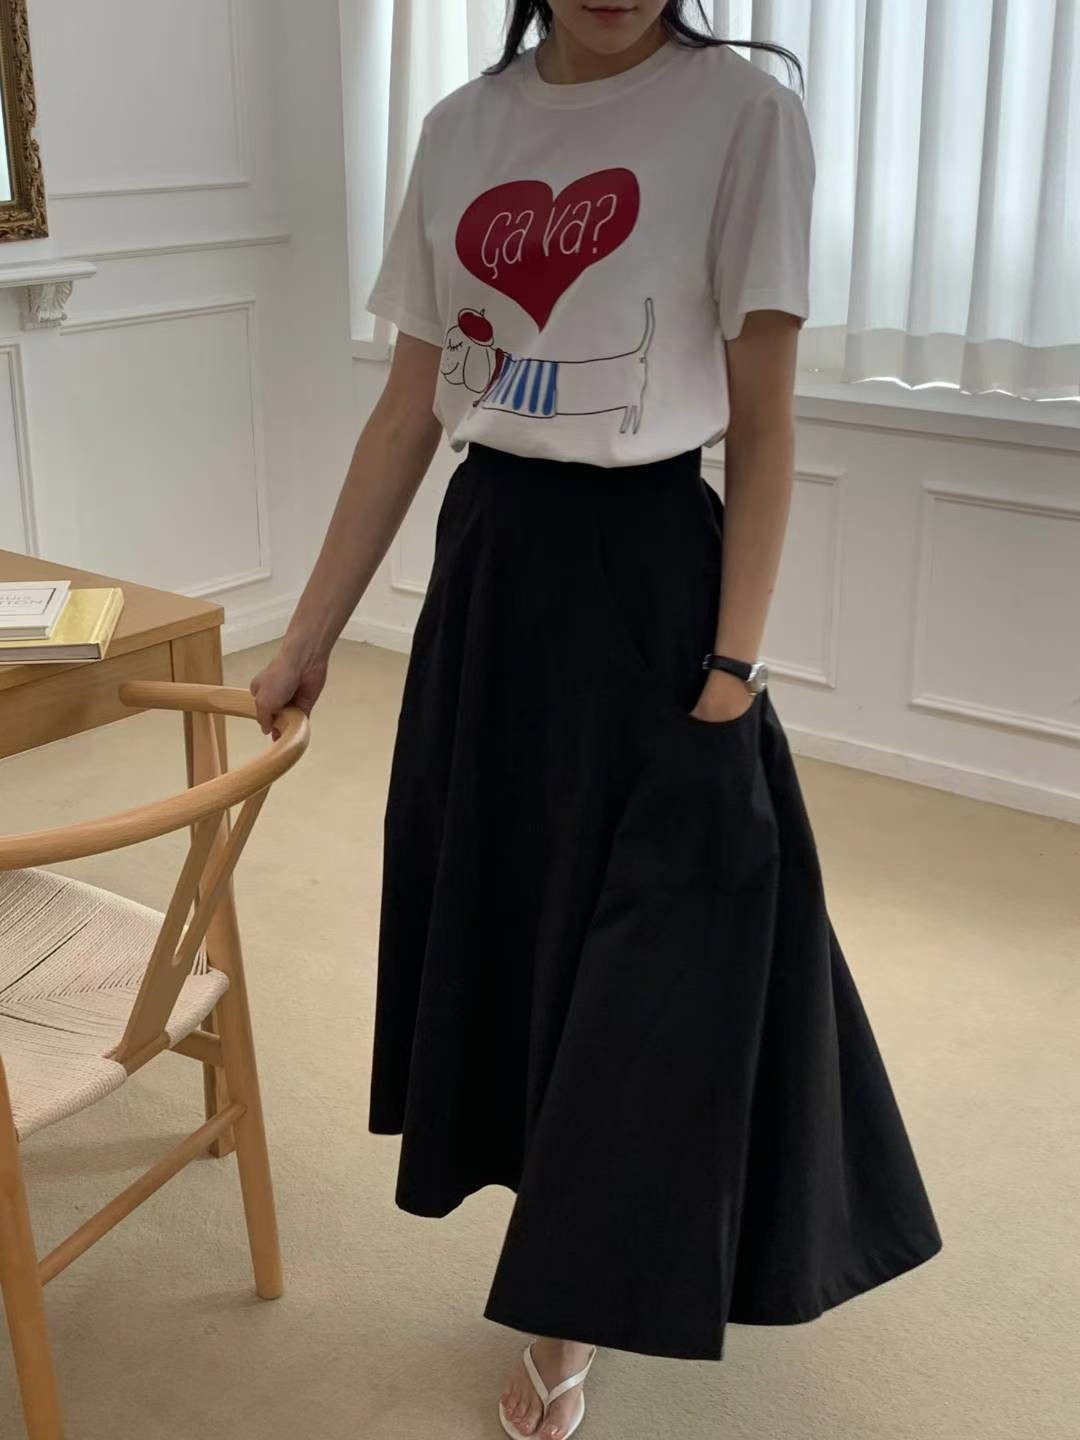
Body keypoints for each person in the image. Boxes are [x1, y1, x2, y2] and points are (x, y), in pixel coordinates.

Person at [250, 4, 944, 1437]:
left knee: (652, 945)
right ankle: (564, 1245)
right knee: (518, 920)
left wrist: (734, 664)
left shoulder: (742, 115)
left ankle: (571, 1304)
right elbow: (410, 409)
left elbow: (766, 419)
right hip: (494, 570)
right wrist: (307, 633)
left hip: (651, 577)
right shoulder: (463, 129)